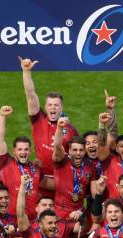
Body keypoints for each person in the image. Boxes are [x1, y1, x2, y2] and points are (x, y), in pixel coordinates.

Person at [19, 56, 78, 198]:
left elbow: (77, 155)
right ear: (45, 107)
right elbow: (30, 95)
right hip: (42, 181)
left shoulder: (71, 129)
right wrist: (26, 71)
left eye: (56, 105)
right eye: (50, 105)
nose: (53, 108)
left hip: (62, 184)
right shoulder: (38, 119)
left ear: (61, 107)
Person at [0, 105, 52, 220]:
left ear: (30, 151)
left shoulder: (36, 168)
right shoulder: (5, 163)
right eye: (19, 149)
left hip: (33, 220)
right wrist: (2, 116)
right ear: (14, 151)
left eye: (26, 149)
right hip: (11, 218)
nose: (23, 152)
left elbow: (45, 185)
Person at [52, 120, 98, 221]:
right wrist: (59, 128)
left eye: (81, 150)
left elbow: (95, 194)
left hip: (79, 212)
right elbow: (57, 146)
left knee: (80, 232)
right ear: (69, 151)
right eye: (75, 150)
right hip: (60, 211)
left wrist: (100, 190)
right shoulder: (62, 161)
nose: (78, 153)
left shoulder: (90, 166)